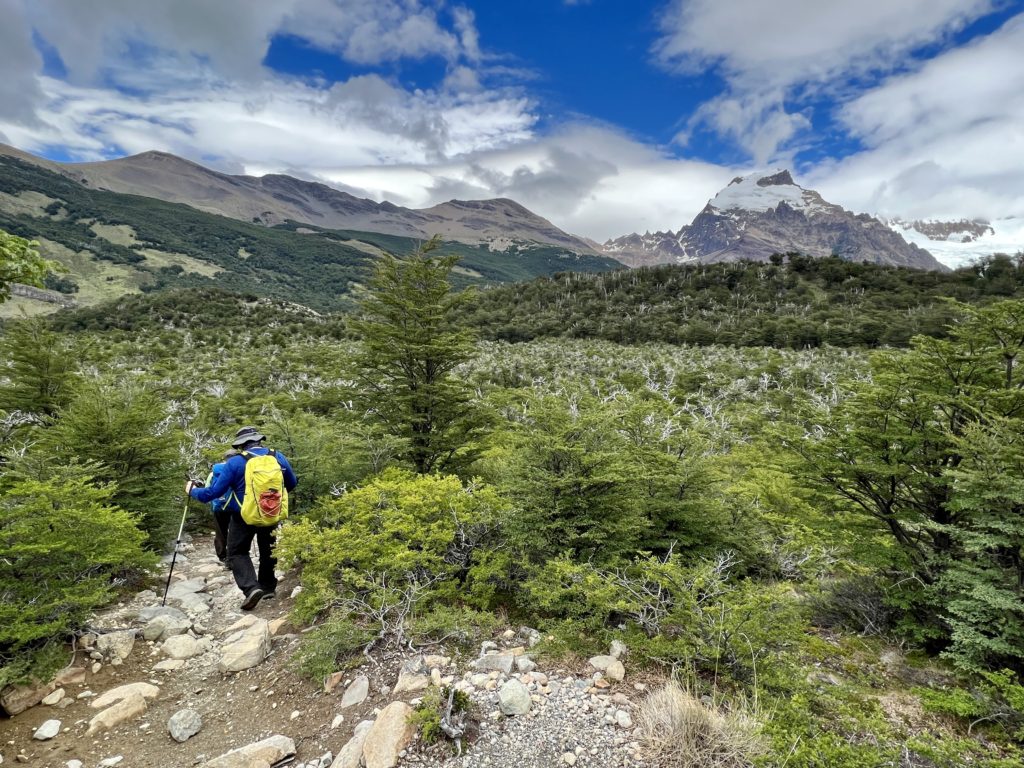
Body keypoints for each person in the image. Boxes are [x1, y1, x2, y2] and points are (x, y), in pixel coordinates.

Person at [187, 426, 298, 610]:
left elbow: (212, 493)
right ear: (259, 440)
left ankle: (251, 588)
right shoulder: (277, 456)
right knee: (268, 549)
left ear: (241, 445)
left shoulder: (235, 462)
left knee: (237, 552)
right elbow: (292, 483)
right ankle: (268, 587)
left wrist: (192, 490)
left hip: (242, 516)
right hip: (270, 512)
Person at [205, 449, 240, 565]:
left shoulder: (213, 472)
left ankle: (222, 556)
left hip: (218, 506)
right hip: (235, 506)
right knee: (234, 531)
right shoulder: (238, 469)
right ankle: (234, 556)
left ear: (225, 458)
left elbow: (208, 489)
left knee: (220, 531)